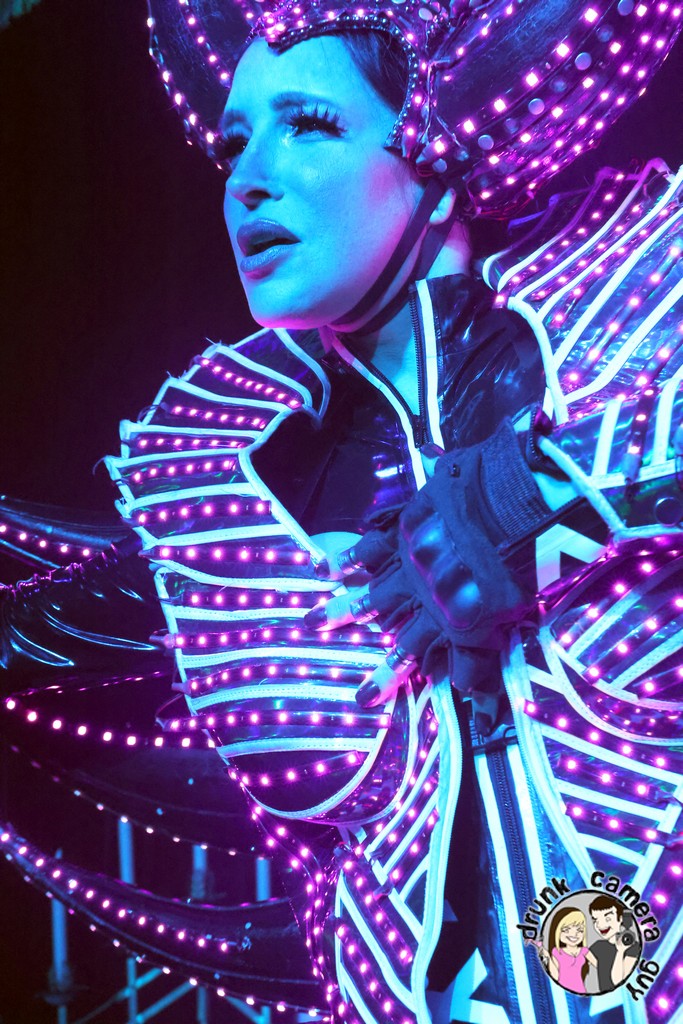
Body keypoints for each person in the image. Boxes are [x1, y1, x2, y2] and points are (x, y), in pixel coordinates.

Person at [2, 2, 682, 1023]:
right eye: (232, 144)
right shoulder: (238, 479)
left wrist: (542, 493)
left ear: (437, 153)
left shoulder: (623, 312)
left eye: (310, 126)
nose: (247, 178)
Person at [536, 906, 597, 995]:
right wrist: (547, 957)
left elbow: (600, 966)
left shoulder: (584, 951)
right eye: (566, 930)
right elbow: (555, 976)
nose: (574, 934)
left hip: (580, 991)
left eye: (580, 930)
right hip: (563, 991)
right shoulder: (556, 952)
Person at [589, 895, 641, 993]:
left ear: (620, 919)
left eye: (608, 919)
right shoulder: (598, 945)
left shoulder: (632, 947)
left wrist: (620, 951)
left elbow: (617, 981)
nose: (601, 925)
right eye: (596, 920)